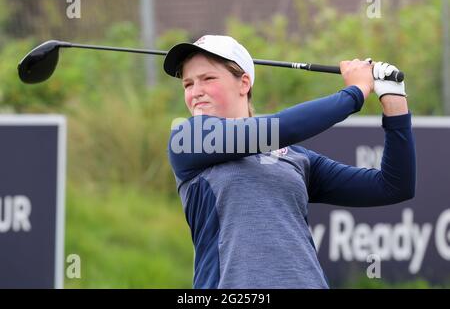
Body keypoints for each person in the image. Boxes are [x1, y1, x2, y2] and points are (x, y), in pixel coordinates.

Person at [163, 35, 415, 289]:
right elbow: (278, 128)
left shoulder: (294, 157)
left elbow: (393, 186)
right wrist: (355, 92)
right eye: (188, 84)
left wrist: (395, 103)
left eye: (208, 79)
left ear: (244, 83)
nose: (195, 92)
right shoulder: (189, 138)